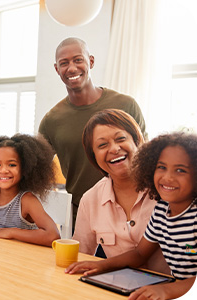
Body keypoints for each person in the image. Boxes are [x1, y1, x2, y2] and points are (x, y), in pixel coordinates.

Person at [66, 132, 197, 300]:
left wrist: (167, 290)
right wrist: (102, 265)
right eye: (161, 167)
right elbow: (140, 254)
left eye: (180, 170)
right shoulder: (161, 211)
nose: (168, 177)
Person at [38, 37, 147, 226]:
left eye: (78, 60)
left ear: (91, 61)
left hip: (134, 209)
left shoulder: (126, 105)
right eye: (64, 63)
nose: (71, 68)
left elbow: (146, 156)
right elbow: (36, 171)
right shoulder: (51, 120)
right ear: (57, 69)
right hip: (82, 212)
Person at [72, 109, 170, 274]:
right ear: (93, 156)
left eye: (121, 139)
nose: (114, 149)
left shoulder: (167, 187)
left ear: (137, 141)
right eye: (102, 145)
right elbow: (81, 254)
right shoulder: (90, 199)